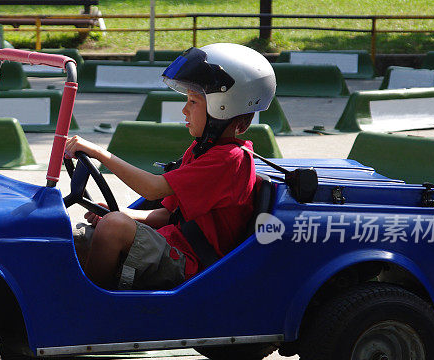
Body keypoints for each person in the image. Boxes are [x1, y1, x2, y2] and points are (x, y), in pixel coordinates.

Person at [65, 43, 277, 290]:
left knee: (113, 229)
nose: (185, 110)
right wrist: (121, 213)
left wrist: (99, 153)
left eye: (193, 102)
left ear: (223, 107)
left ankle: (89, 312)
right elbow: (168, 214)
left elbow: (153, 189)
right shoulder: (201, 151)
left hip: (192, 264)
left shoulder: (230, 159)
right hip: (171, 245)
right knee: (73, 240)